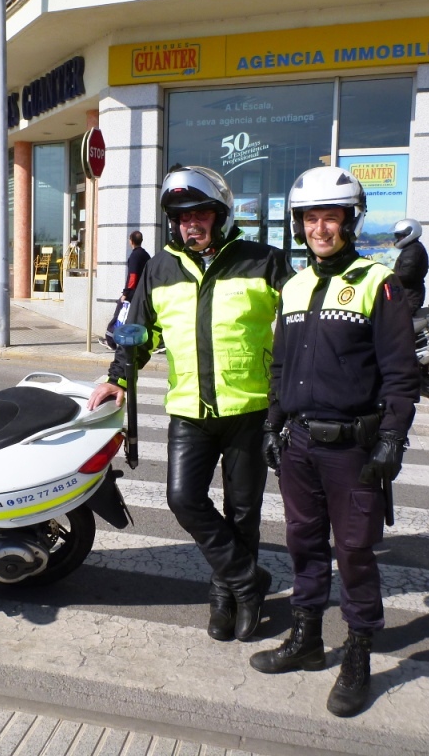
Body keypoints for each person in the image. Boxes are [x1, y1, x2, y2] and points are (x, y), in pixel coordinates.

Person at [87, 165, 292, 642]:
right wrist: (119, 377)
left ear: (220, 215)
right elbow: (138, 332)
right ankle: (248, 581)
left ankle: (227, 596)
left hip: (249, 410)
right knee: (183, 499)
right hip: (189, 410)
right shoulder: (160, 268)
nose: (190, 224)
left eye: (199, 214)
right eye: (181, 218)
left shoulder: (264, 260)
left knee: (243, 513)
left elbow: (301, 323)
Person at [249, 166, 419, 718]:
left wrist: (392, 438)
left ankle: (359, 656)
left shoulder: (378, 282)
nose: (320, 228)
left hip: (352, 449)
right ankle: (306, 640)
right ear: (298, 224)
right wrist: (272, 424)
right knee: (303, 544)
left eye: (332, 217)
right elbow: (280, 365)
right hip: (299, 444)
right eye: (310, 219)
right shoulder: (293, 286)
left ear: (351, 221)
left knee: (355, 554)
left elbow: (400, 373)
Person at [100, 230, 150, 351]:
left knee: (119, 315)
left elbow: (133, 276)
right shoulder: (146, 255)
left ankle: (110, 340)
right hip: (143, 292)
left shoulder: (134, 256)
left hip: (132, 293)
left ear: (131, 241)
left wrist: (126, 293)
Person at [392, 218, 429, 314]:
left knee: (401, 321)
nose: (399, 238)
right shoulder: (411, 248)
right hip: (407, 294)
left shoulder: (413, 250)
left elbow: (405, 274)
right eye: (397, 235)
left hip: (410, 296)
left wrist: (386, 275)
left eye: (400, 235)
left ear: (409, 233)